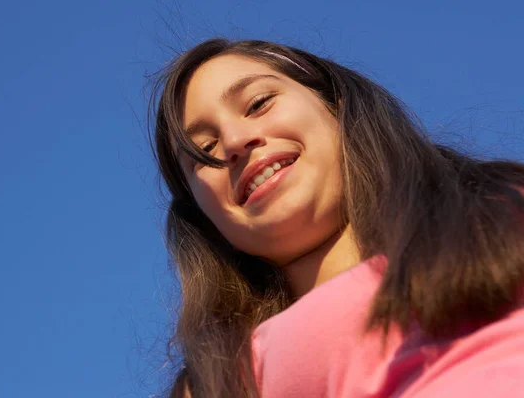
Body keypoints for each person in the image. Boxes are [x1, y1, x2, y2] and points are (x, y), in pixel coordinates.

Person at [149, 38, 524, 397]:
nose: (233, 141)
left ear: (336, 105)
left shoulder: (505, 210)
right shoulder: (220, 383)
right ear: (202, 216)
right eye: (204, 151)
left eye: (259, 103)